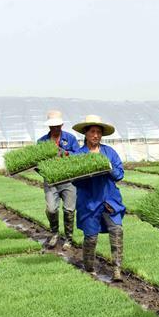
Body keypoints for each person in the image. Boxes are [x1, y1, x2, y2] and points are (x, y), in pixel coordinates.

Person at [71, 115, 125, 281]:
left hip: (110, 201)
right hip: (89, 202)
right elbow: (73, 179)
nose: (96, 135)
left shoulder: (109, 153)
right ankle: (89, 268)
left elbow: (119, 174)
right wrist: (86, 172)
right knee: (91, 237)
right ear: (85, 134)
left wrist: (108, 167)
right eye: (92, 131)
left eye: (99, 132)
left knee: (116, 231)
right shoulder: (79, 155)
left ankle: (117, 270)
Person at [38, 110, 80, 250]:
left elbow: (79, 156)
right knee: (51, 209)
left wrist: (66, 153)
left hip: (69, 180)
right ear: (49, 126)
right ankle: (54, 232)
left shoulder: (70, 138)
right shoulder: (42, 142)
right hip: (51, 181)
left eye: (57, 125)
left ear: (61, 125)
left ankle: (68, 238)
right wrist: (45, 172)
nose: (55, 128)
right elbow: (36, 163)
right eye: (52, 126)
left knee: (69, 210)